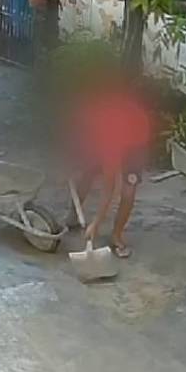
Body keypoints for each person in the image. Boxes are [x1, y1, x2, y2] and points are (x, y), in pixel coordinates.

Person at [64, 66, 152, 258]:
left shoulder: (113, 134)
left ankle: (116, 235)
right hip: (117, 134)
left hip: (136, 143)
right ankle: (73, 213)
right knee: (87, 172)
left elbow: (109, 187)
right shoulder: (97, 119)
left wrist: (96, 222)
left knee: (128, 191)